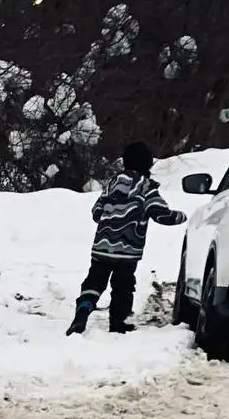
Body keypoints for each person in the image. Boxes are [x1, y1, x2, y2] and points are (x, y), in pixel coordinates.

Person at [68, 142, 185, 335]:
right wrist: (180, 216)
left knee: (94, 282)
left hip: (102, 247)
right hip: (127, 251)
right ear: (148, 164)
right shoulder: (146, 187)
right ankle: (117, 323)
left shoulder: (112, 184)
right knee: (123, 287)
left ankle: (83, 311)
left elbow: (97, 212)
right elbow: (160, 214)